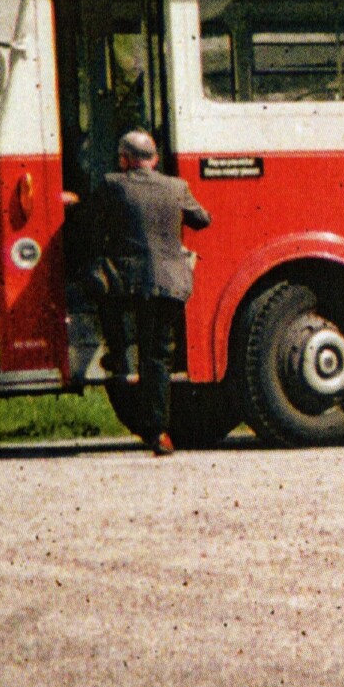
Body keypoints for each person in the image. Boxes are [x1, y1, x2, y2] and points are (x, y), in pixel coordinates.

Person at [89, 128, 211, 454]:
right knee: (157, 357)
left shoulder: (113, 184)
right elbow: (202, 219)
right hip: (171, 283)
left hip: (130, 285)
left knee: (124, 333)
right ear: (155, 160)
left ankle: (116, 356)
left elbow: (91, 219)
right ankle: (158, 433)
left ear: (124, 160)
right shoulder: (176, 186)